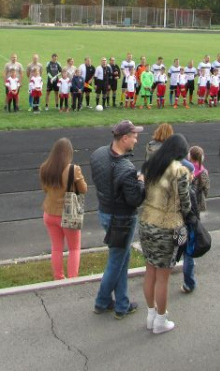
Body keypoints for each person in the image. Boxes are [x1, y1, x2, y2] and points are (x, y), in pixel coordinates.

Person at [91, 120, 146, 319]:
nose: (136, 140)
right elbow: (136, 200)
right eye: (134, 136)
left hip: (104, 211)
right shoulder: (126, 168)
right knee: (117, 261)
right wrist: (141, 182)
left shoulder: (97, 154)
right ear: (124, 139)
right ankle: (102, 301)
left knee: (122, 258)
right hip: (122, 219)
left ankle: (122, 304)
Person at [139, 134, 191, 334]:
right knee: (163, 276)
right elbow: (185, 202)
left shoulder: (151, 165)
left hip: (146, 221)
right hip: (167, 224)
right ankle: (161, 319)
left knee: (150, 270)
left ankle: (151, 314)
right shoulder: (180, 171)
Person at [40, 138, 88, 279]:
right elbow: (83, 189)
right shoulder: (73, 169)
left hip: (49, 213)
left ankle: (58, 277)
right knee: (74, 248)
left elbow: (45, 189)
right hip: (68, 213)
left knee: (56, 247)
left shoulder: (45, 168)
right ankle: (72, 278)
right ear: (69, 153)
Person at [181, 145, 210, 294]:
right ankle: (188, 282)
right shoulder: (203, 172)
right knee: (189, 251)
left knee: (181, 245)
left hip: (181, 218)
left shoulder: (181, 173)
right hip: (194, 212)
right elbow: (206, 189)